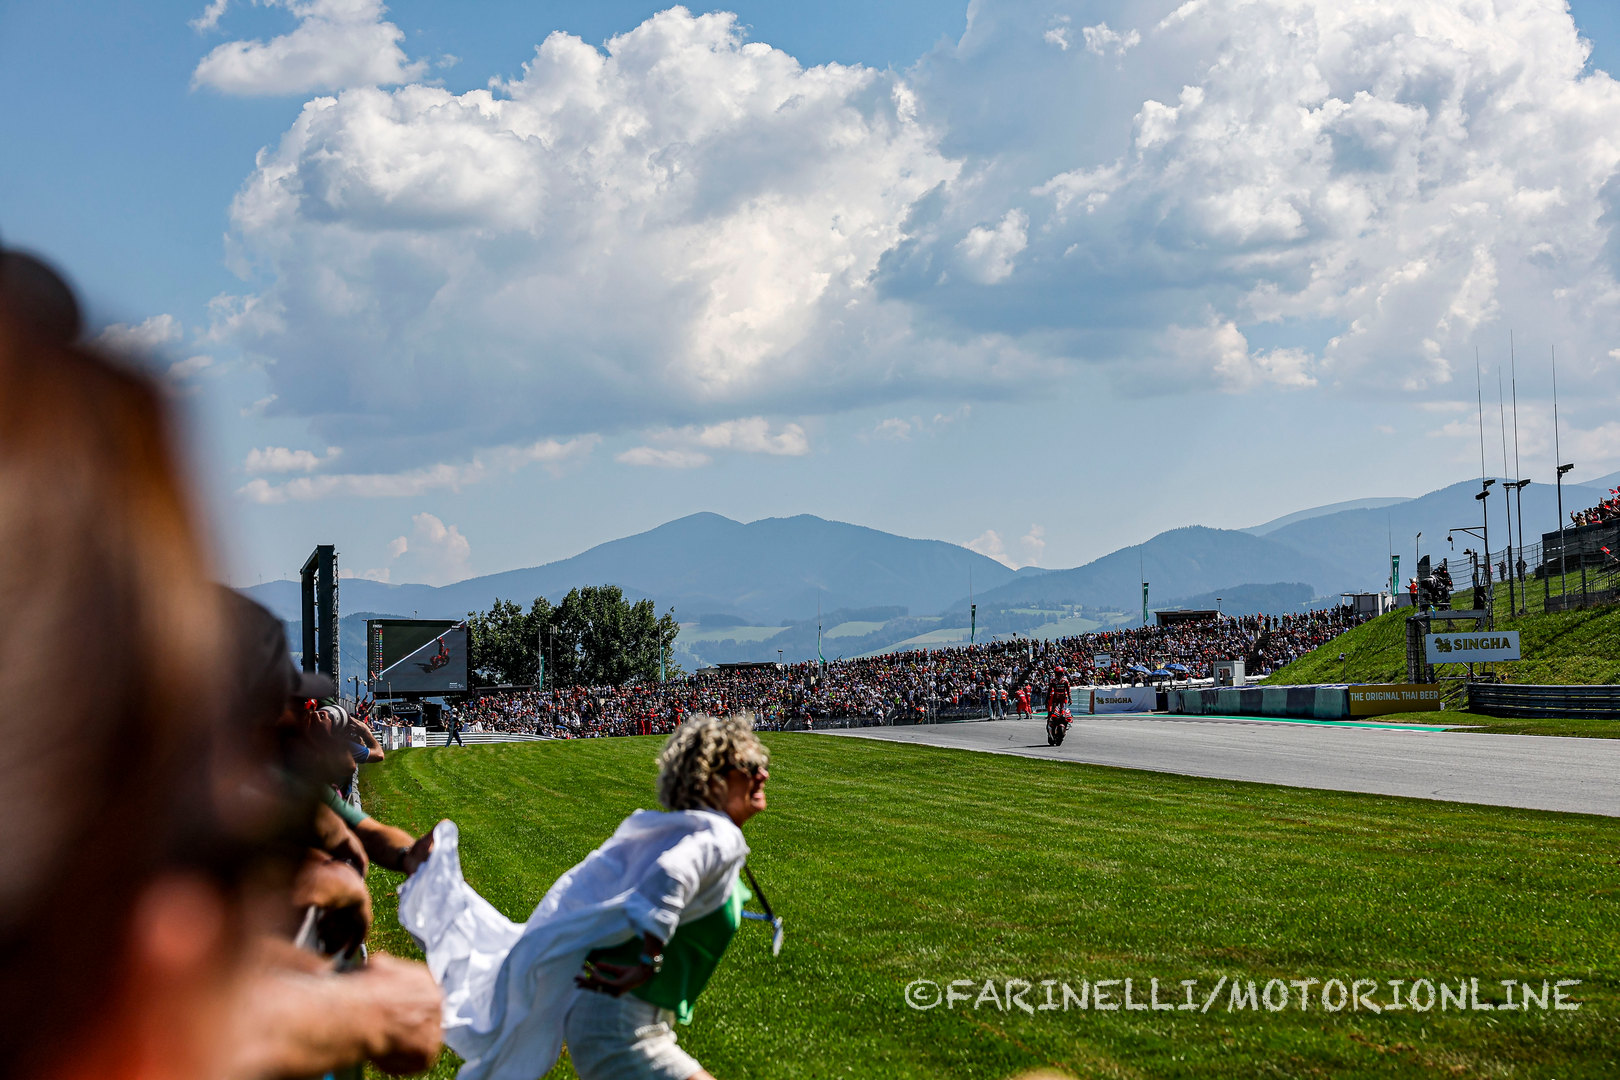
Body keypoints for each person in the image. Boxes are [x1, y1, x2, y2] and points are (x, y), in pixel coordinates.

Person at [399, 712, 772, 1080]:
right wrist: (649, 959)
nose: (763, 774)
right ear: (712, 778)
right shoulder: (718, 837)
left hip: (619, 1023)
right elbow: (671, 876)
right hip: (621, 1032)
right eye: (751, 766)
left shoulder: (680, 831)